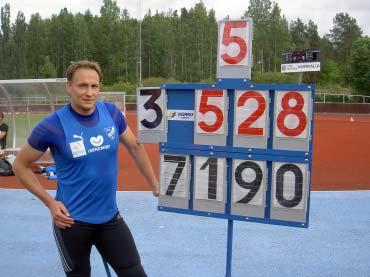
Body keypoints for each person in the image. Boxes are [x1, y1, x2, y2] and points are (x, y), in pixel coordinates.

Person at [13, 60, 159, 277]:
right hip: (72, 223)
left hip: (110, 219)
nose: (89, 92)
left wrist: (154, 184)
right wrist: (50, 203)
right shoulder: (51, 126)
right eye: (82, 86)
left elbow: (135, 147)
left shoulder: (111, 113)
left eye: (94, 86)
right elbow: (20, 165)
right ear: (69, 87)